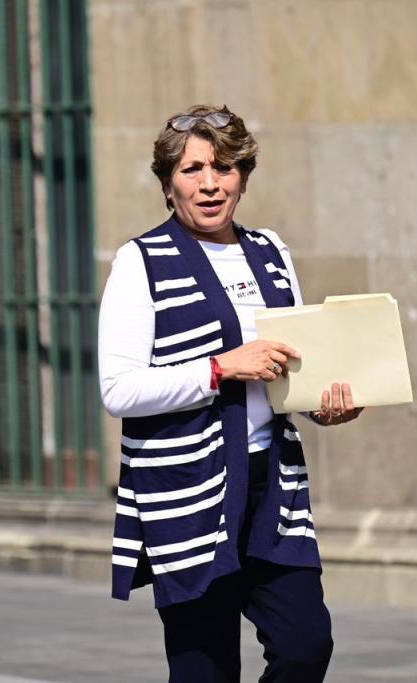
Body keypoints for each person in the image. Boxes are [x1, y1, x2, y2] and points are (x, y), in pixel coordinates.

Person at [98, 104, 364, 683]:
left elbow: (290, 367)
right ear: (168, 184)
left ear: (243, 176)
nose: (210, 183)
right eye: (192, 169)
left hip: (273, 487)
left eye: (223, 167)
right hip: (189, 491)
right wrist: (219, 369)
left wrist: (324, 406)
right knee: (205, 670)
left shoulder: (271, 251)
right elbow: (118, 390)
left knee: (305, 645)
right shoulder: (140, 262)